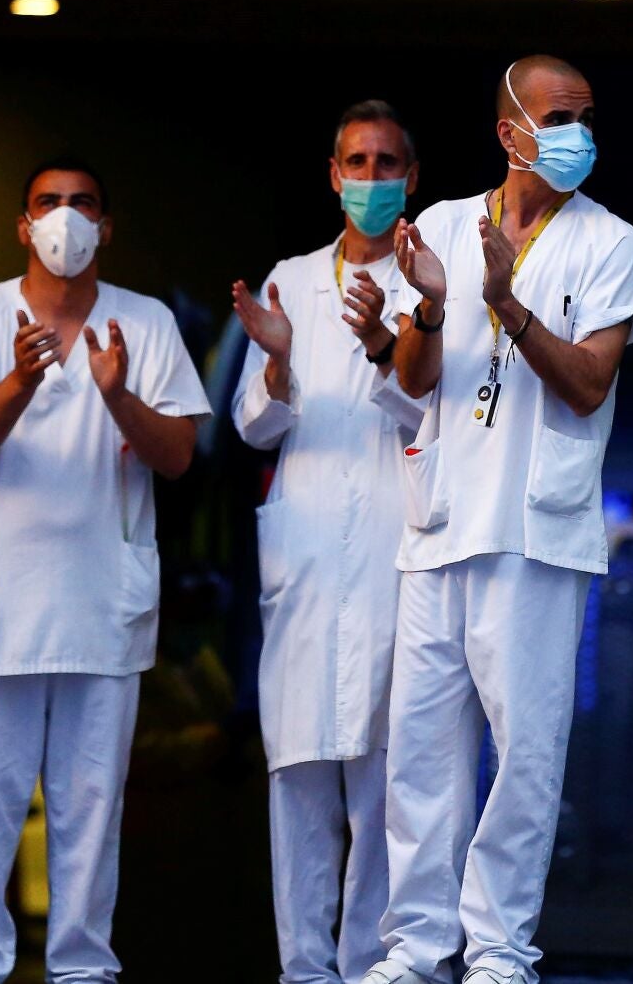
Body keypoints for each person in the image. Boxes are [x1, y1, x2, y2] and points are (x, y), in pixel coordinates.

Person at [362, 55, 633, 984]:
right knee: (418, 750)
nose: (578, 134)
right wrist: (434, 302)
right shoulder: (446, 225)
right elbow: (412, 379)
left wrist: (504, 303)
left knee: (525, 751)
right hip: (440, 521)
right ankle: (415, 948)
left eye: (587, 117)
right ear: (509, 132)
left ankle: (499, 951)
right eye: (558, 118)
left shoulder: (612, 242)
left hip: (535, 530)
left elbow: (590, 383)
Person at [0, 156, 212, 984]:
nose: (65, 218)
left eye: (82, 204)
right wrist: (19, 379)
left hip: (99, 609)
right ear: (23, 224)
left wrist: (117, 395)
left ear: (105, 227)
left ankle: (82, 971)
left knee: (90, 812)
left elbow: (178, 455)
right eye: (48, 203)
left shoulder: (144, 322)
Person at [230, 100, 425, 984]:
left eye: (387, 163)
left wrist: (386, 340)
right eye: (357, 161)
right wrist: (277, 359)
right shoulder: (292, 279)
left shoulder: (432, 285)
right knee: (300, 780)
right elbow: (253, 426)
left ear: (412, 178)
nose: (370, 178)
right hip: (306, 565)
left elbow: (433, 415)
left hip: (395, 558)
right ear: (333, 174)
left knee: (387, 789)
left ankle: (373, 970)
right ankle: (305, 972)